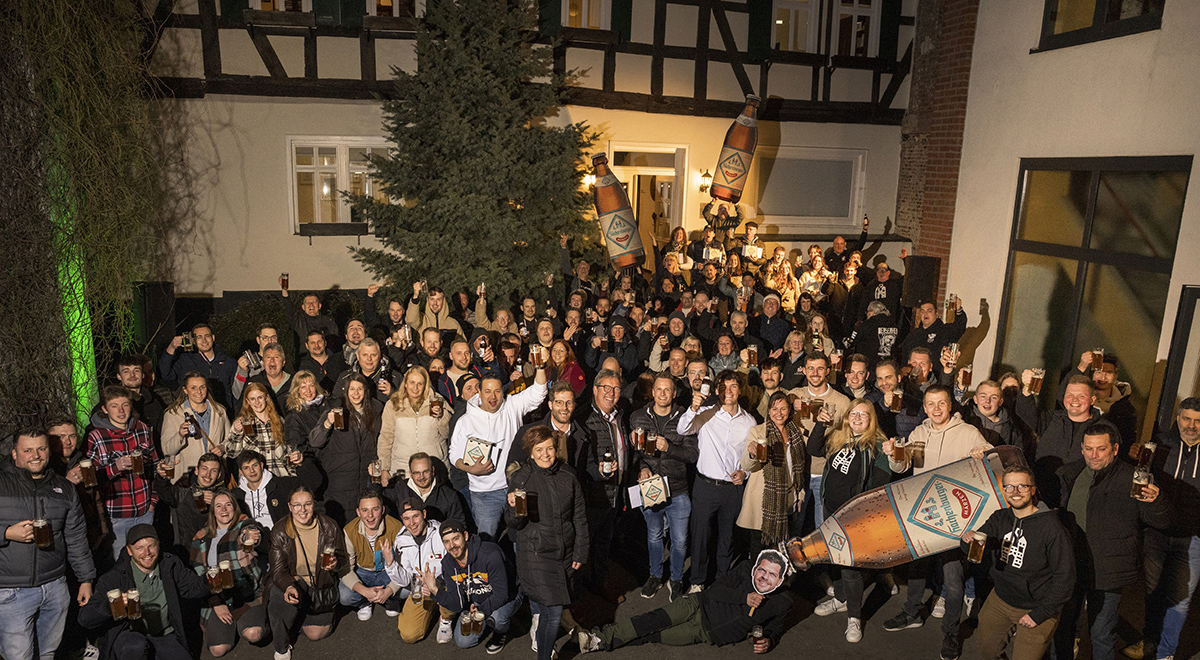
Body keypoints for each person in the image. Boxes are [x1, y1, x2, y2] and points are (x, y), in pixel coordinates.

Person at [881, 385, 992, 660]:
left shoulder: (967, 432)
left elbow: (990, 455)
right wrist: (893, 451)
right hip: (924, 514)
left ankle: (951, 634)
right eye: (931, 404)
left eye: (941, 403)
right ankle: (911, 613)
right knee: (917, 569)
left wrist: (983, 452)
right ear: (926, 407)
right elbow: (901, 466)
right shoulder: (919, 432)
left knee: (953, 581)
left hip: (955, 519)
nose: (936, 409)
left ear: (950, 405)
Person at [1053, 421, 1170, 660]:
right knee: (1063, 629)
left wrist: (1157, 501)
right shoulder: (1071, 473)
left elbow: (1162, 521)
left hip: (1108, 571)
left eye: (1101, 449)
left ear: (1115, 449)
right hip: (1071, 566)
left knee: (1102, 634)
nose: (1093, 455)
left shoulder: (1132, 479)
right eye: (1088, 448)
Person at [578, 549, 793, 653]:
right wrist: (743, 597)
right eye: (762, 570)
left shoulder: (782, 601)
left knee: (652, 636)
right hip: (697, 605)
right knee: (652, 620)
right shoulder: (745, 570)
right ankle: (599, 638)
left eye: (771, 574)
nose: (764, 577)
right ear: (756, 568)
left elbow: (774, 627)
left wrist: (769, 640)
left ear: (780, 579)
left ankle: (605, 640)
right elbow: (717, 589)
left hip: (705, 632)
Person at [0, 429, 96, 660]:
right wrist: (6, 532)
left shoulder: (65, 489)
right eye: (28, 450)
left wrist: (85, 579)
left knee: (47, 654)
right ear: (14, 453)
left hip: (55, 587)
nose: (36, 455)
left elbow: (76, 537)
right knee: (19, 656)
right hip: (11, 590)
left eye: (41, 448)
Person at [963, 466, 1074, 660]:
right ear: (1003, 490)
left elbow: (1066, 577)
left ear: (1032, 490)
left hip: (1037, 605)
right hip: (1001, 598)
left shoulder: (1051, 528)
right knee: (986, 651)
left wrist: (1040, 613)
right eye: (1010, 487)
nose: (1015, 492)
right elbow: (974, 549)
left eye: (1022, 486)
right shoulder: (1000, 517)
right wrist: (967, 541)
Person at [805, 400, 894, 643]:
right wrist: (820, 425)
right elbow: (813, 448)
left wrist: (863, 514)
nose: (857, 418)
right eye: (853, 413)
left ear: (871, 418)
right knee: (835, 558)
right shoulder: (839, 436)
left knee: (851, 566)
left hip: (853, 515)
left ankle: (855, 617)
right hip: (830, 507)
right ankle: (841, 599)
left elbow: (880, 484)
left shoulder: (876, 444)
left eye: (863, 414)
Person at [506, 426, 589, 660]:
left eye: (549, 448)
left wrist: (581, 552)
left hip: (564, 553)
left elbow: (579, 517)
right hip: (535, 555)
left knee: (547, 614)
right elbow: (515, 524)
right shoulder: (521, 479)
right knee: (553, 613)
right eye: (538, 449)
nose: (545, 454)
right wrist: (514, 509)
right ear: (530, 453)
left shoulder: (568, 476)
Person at [78, 524, 208, 660]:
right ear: (129, 550)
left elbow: (193, 588)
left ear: (158, 545)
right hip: (130, 636)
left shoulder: (170, 565)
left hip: (163, 634)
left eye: (151, 546)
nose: (147, 553)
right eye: (139, 548)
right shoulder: (115, 577)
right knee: (136, 646)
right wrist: (109, 606)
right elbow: (85, 618)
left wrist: (208, 579)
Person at [1133, 398, 1200, 660]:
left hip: (1194, 537)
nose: (1191, 425)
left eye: (1198, 421)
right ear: (1178, 418)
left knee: (1181, 598)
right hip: (1157, 532)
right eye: (1186, 419)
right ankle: (1148, 643)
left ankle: (1165, 653)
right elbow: (1142, 477)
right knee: (1154, 592)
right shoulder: (1160, 446)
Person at [449, 362, 548, 539]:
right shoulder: (465, 420)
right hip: (484, 494)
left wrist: (540, 366)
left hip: (517, 486)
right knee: (487, 539)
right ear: (479, 392)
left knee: (522, 536)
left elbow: (539, 392)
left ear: (502, 391)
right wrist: (471, 469)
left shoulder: (512, 405)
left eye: (497, 391)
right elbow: (454, 454)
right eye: (487, 391)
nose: (492, 396)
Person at [682, 370, 756, 590]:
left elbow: (750, 456)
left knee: (727, 539)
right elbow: (683, 428)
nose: (728, 391)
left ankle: (721, 583)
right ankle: (697, 582)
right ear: (716, 390)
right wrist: (693, 408)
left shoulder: (749, 421)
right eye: (723, 387)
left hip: (732, 490)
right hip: (705, 486)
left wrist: (745, 473)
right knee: (700, 537)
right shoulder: (704, 413)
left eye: (733, 386)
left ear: (740, 390)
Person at [629, 374, 699, 601]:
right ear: (652, 391)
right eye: (658, 389)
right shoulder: (638, 417)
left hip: (677, 489)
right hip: (651, 489)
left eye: (666, 390)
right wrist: (641, 468)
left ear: (674, 393)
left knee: (679, 541)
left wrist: (669, 447)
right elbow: (634, 454)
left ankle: (676, 579)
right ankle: (655, 576)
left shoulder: (684, 418)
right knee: (654, 535)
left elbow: (692, 454)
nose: (662, 394)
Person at [265, 486, 346, 660]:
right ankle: (281, 646)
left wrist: (336, 563)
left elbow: (343, 559)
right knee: (280, 599)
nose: (302, 510)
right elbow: (278, 570)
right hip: (295, 581)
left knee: (315, 634)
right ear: (289, 506)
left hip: (321, 585)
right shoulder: (280, 530)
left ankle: (299, 617)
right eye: (297, 505)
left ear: (314, 504)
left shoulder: (329, 525)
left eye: (307, 504)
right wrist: (288, 586)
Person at [419, 518, 520, 653]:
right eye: (446, 542)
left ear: (465, 536)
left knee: (498, 618)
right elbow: (457, 605)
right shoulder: (448, 564)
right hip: (477, 602)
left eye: (456, 538)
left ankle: (501, 631)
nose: (452, 545)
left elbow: (502, 594)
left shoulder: (490, 555)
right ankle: (488, 620)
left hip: (508, 594)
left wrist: (482, 611)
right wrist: (435, 591)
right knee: (463, 641)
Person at [188, 490, 266, 658]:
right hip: (218, 598)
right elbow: (198, 574)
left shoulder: (242, 525)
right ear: (213, 511)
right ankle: (231, 627)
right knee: (218, 650)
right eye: (218, 506)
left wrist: (250, 536)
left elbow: (253, 530)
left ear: (234, 508)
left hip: (246, 595)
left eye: (228, 504)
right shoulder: (201, 537)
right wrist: (215, 603)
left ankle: (248, 622)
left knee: (254, 634)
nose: (224, 509)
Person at [87, 385, 162, 561]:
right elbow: (89, 480)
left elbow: (155, 466)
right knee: (121, 565)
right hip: (117, 515)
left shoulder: (142, 428)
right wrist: (115, 467)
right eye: (114, 406)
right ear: (105, 409)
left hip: (145, 511)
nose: (121, 410)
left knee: (148, 560)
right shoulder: (96, 436)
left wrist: (153, 502)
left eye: (125, 405)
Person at [581, 369, 631, 600]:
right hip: (594, 495)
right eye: (606, 388)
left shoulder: (620, 416)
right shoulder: (586, 420)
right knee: (584, 546)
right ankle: (577, 593)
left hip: (615, 492)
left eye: (616, 388)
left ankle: (600, 583)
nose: (611, 393)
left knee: (604, 543)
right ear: (595, 389)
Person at [1016, 373, 1102, 508]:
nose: (1074, 400)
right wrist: (1027, 388)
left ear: (1092, 400)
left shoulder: (1101, 428)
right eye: (1070, 395)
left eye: (1081, 396)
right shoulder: (1051, 418)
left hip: (1077, 501)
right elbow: (1025, 411)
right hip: (1040, 497)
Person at [738, 391, 808, 555]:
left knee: (780, 551)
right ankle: (755, 580)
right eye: (775, 409)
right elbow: (747, 466)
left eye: (783, 409)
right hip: (762, 502)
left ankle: (780, 581)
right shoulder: (757, 432)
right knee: (758, 549)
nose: (779, 413)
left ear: (789, 410)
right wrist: (752, 454)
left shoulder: (796, 432)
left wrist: (801, 494)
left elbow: (799, 468)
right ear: (769, 411)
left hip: (788, 499)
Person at [309, 374, 381, 525]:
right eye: (352, 389)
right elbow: (315, 441)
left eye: (359, 389)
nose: (356, 393)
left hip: (365, 481)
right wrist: (327, 423)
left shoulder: (375, 412)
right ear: (346, 392)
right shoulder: (334, 411)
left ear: (365, 391)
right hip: (339, 484)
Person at [383, 497, 456, 643]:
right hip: (419, 590)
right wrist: (390, 563)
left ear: (424, 513)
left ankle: (446, 618)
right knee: (409, 635)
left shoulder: (440, 533)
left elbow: (456, 566)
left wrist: (435, 584)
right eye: (406, 519)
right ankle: (430, 609)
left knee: (452, 586)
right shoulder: (401, 541)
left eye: (415, 516)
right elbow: (404, 580)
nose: (412, 523)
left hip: (443, 585)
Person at [789, 353, 852, 526]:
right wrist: (790, 403)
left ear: (828, 371)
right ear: (803, 370)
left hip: (824, 472)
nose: (815, 373)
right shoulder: (795, 394)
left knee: (822, 526)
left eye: (820, 368)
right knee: (794, 526)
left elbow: (848, 438)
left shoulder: (842, 402)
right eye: (810, 368)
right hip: (797, 473)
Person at [338, 490, 406, 621]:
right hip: (363, 572)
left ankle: (390, 599)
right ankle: (365, 602)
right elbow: (345, 568)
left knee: (408, 589)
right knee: (344, 595)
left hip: (388, 571)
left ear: (382, 510)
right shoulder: (349, 530)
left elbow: (404, 565)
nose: (370, 515)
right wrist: (363, 590)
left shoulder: (396, 527)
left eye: (375, 509)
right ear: (358, 512)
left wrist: (389, 590)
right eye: (365, 510)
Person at [380, 365, 451, 481]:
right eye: (412, 382)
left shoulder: (437, 401)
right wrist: (384, 468)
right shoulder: (393, 404)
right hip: (402, 468)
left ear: (425, 385)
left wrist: (441, 417)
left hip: (434, 468)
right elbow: (386, 438)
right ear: (406, 383)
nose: (415, 387)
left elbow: (446, 434)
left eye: (420, 384)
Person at [225, 382, 301, 478]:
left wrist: (292, 475)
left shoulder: (279, 421)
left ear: (266, 397)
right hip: (255, 481)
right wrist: (236, 432)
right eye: (252, 399)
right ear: (247, 401)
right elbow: (231, 453)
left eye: (260, 397)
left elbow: (289, 453)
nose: (257, 402)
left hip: (279, 478)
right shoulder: (243, 423)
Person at [161, 372, 231, 474]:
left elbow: (231, 439)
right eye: (193, 387)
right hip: (187, 475)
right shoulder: (173, 414)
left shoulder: (219, 411)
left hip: (214, 474)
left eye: (202, 387)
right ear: (185, 390)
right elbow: (167, 451)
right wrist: (180, 435)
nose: (199, 391)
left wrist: (223, 447)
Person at [153, 451, 225, 549]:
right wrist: (162, 476)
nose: (208, 475)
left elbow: (234, 519)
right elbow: (163, 490)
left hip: (214, 548)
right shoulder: (183, 492)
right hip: (187, 550)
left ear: (219, 475)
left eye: (213, 471)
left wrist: (218, 502)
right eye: (204, 469)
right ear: (196, 470)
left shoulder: (224, 495)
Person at [159, 323, 238, 410]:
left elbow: (235, 390)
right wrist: (172, 347)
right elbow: (166, 374)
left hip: (222, 412)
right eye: (199, 337)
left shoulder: (228, 362)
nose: (204, 340)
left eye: (207, 336)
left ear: (213, 338)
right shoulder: (186, 360)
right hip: (192, 412)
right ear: (193, 341)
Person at [231, 451, 304, 531]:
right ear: (241, 472)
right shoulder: (236, 496)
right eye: (246, 468)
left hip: (280, 538)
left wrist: (302, 462)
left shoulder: (281, 485)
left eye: (255, 465)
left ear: (261, 466)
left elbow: (313, 483)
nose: (252, 471)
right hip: (253, 540)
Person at [389, 452, 468, 524]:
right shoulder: (400, 489)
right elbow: (380, 502)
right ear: (410, 473)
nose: (422, 477)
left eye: (426, 471)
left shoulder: (449, 495)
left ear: (433, 471)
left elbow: (459, 524)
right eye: (417, 473)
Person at [898, 297, 966, 363]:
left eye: (929, 311)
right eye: (922, 312)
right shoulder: (914, 334)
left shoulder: (944, 330)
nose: (925, 314)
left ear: (936, 314)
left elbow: (960, 327)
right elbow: (903, 355)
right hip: (914, 372)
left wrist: (959, 310)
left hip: (936, 372)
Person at [231, 324, 281, 402]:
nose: (270, 341)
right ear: (258, 340)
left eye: (273, 337)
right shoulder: (248, 362)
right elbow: (237, 393)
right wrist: (242, 372)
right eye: (265, 338)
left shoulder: (284, 361)